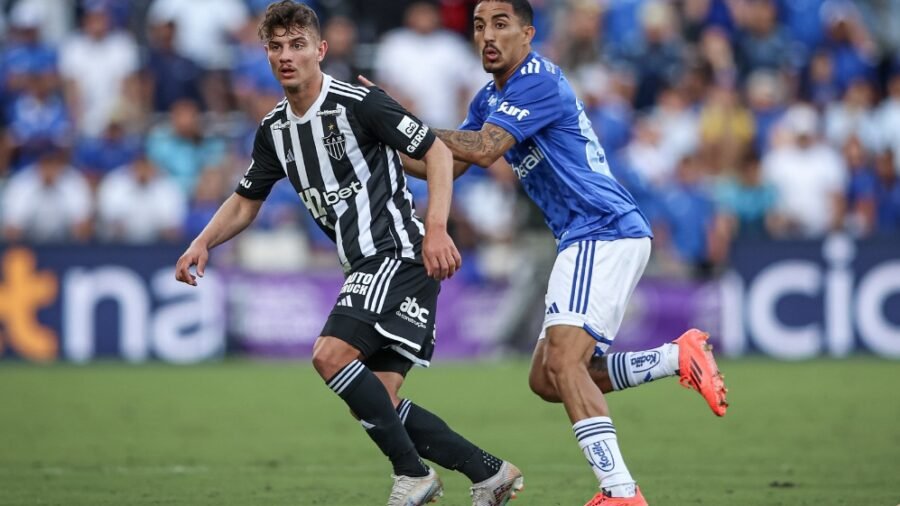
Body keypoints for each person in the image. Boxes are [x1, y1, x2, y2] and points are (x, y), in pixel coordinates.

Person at [375, 1, 729, 504]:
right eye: (479, 26)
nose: (487, 36)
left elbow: (484, 149)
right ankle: (677, 357)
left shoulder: (537, 80)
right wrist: (379, 137)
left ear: (528, 33)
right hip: (585, 236)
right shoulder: (488, 97)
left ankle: (620, 493)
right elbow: (447, 163)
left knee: (564, 363)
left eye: (501, 25)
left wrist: (398, 122)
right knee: (548, 377)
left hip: (601, 227)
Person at [174, 3, 523, 506]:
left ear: (320, 50)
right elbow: (247, 200)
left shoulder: (359, 103)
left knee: (329, 355)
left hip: (396, 252)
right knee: (376, 399)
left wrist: (437, 229)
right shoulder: (275, 129)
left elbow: (436, 151)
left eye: (297, 45)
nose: (286, 56)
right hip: (369, 263)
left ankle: (413, 475)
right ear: (266, 54)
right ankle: (489, 473)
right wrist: (202, 241)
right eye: (276, 46)